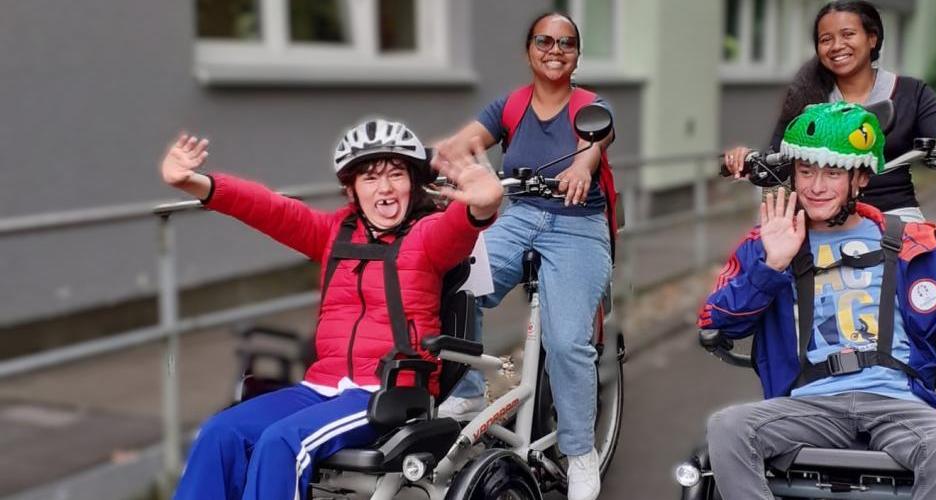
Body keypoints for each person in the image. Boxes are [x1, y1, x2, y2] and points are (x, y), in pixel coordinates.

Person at [163, 119, 502, 500]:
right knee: (220, 432)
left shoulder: (426, 235)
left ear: (413, 183)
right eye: (370, 178)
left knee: (283, 443)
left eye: (396, 174)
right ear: (351, 189)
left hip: (387, 391)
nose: (385, 188)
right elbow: (269, 208)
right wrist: (195, 182)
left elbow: (460, 227)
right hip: (321, 386)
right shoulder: (334, 233)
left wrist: (484, 203)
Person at [700, 102, 936, 499]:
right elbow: (719, 320)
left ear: (860, 178)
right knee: (727, 428)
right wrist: (772, 265)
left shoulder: (909, 241)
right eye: (806, 171)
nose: (816, 186)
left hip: (896, 400)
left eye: (832, 173)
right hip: (810, 403)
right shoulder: (769, 240)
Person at [430, 11, 616, 500]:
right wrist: (436, 160)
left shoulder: (590, 105)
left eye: (566, 43)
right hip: (518, 218)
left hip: (577, 226)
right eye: (545, 41)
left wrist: (582, 168)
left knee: (567, 341)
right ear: (529, 50)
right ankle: (467, 393)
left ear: (577, 55)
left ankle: (581, 453)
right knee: (456, 279)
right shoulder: (510, 105)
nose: (555, 50)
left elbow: (594, 143)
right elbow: (464, 144)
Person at [723, 0, 936, 222]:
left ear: (872, 38)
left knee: (931, 261)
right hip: (822, 218)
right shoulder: (807, 97)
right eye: (826, 39)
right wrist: (745, 159)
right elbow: (776, 157)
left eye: (848, 34)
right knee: (771, 261)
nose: (837, 45)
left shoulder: (911, 92)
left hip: (894, 215)